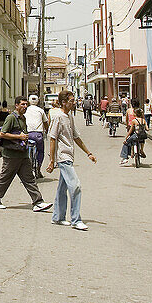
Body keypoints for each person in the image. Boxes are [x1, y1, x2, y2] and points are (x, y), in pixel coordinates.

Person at [0, 95, 52, 212]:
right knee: (5, 177)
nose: (25, 106)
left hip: (22, 154)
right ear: (16, 105)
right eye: (22, 104)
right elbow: (2, 134)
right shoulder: (11, 118)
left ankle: (38, 202)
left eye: (26, 104)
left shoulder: (23, 118)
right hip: (11, 155)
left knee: (29, 179)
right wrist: (19, 136)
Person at [46, 90, 96, 230]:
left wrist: (88, 153)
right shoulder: (58, 117)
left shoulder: (69, 117)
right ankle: (76, 220)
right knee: (75, 186)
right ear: (63, 102)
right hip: (63, 157)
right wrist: (52, 160)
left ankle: (58, 217)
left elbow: (76, 137)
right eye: (71, 100)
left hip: (70, 155)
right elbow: (52, 138)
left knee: (62, 188)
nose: (74, 103)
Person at [23, 94, 49, 178]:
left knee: (24, 151)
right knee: (40, 151)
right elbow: (45, 122)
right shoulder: (40, 110)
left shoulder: (25, 110)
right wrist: (47, 131)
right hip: (38, 135)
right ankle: (38, 168)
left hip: (28, 134)